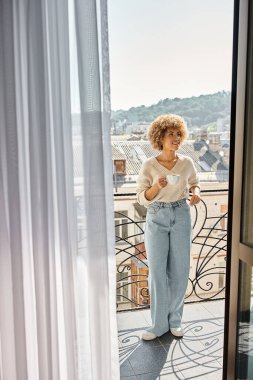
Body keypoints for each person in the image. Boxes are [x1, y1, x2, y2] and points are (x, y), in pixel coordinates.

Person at [136, 114, 201, 340]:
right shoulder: (148, 165)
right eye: (170, 134)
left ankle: (175, 321)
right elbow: (143, 198)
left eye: (177, 134)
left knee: (180, 270)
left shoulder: (186, 163)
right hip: (156, 215)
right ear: (159, 137)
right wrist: (156, 186)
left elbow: (194, 184)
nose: (175, 138)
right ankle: (158, 325)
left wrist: (195, 194)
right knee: (157, 272)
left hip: (181, 214)